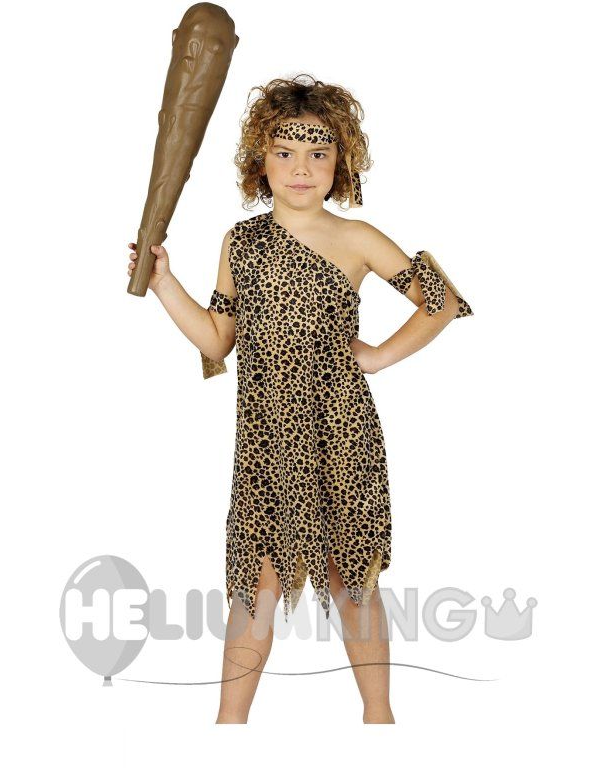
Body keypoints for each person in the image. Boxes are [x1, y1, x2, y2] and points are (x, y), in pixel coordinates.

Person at [126, 74, 473, 725]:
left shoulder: (358, 238)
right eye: (284, 152)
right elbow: (217, 338)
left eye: (318, 152)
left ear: (341, 161)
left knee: (351, 577)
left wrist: (378, 355)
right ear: (260, 159)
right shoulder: (241, 242)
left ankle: (380, 719)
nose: (301, 168)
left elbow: (442, 301)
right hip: (266, 439)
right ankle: (229, 727)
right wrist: (166, 283)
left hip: (340, 431)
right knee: (255, 579)